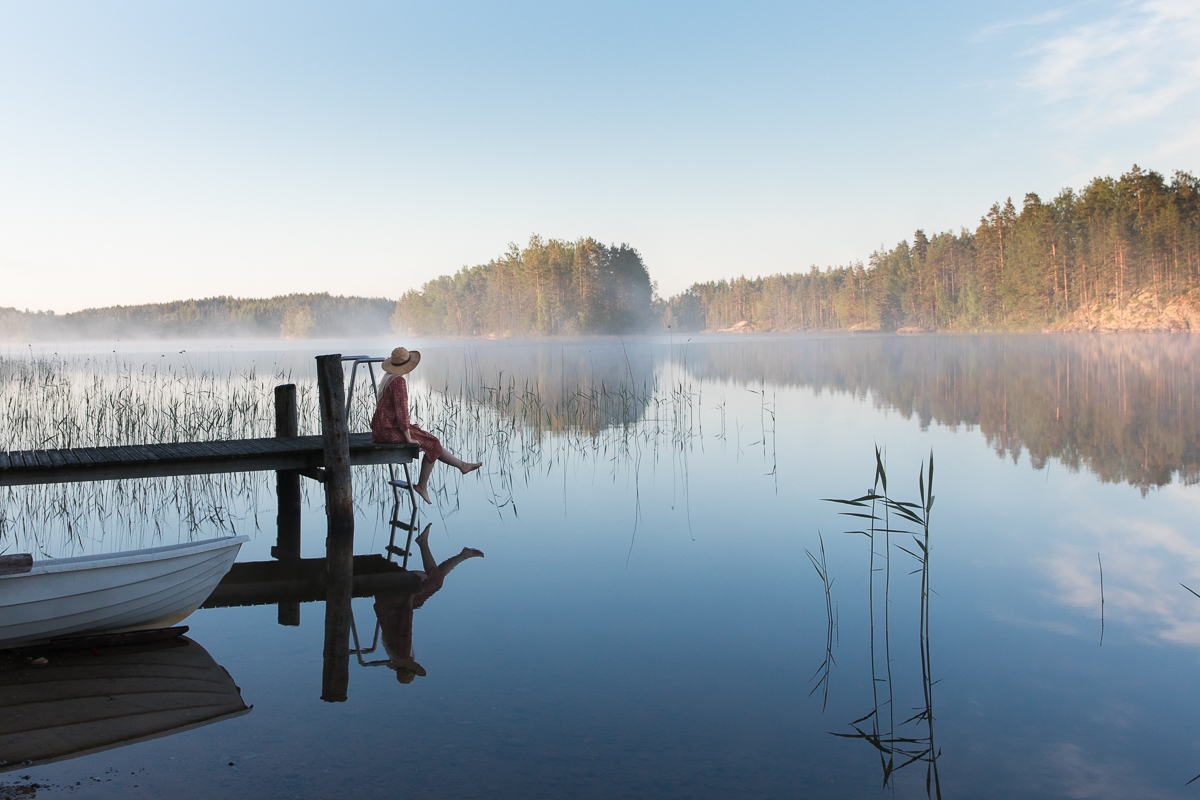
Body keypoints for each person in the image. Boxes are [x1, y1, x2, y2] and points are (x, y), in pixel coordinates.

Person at [373, 524, 484, 683]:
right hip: (390, 604)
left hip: (394, 602)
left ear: (409, 666)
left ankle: (426, 544)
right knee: (435, 583)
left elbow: (405, 621)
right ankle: (461, 555)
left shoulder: (403, 652)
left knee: (434, 582)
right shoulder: (394, 653)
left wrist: (411, 594)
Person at [371, 346, 482, 504]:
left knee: (431, 441)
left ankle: (462, 466)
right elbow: (402, 414)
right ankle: (422, 485)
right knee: (433, 444)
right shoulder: (399, 381)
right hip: (389, 432)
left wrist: (409, 432)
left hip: (381, 431)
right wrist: (408, 438)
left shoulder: (388, 379)